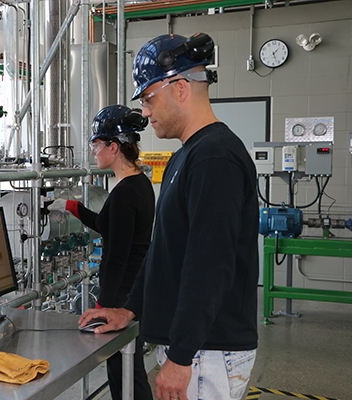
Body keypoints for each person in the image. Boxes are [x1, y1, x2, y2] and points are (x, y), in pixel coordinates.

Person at [79, 33, 259, 400]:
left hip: (207, 351)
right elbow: (164, 251)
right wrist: (129, 310)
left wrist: (180, 358)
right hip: (196, 348)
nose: (145, 112)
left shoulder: (215, 158)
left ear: (180, 88)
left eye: (148, 98)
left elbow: (209, 266)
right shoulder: (186, 155)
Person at [49, 104, 154, 400]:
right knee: (126, 368)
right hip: (131, 284)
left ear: (113, 146)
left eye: (96, 143)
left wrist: (105, 306)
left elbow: (118, 254)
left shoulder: (124, 193)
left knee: (124, 372)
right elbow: (109, 227)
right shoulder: (137, 182)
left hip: (121, 292)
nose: (94, 150)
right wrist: (73, 207)